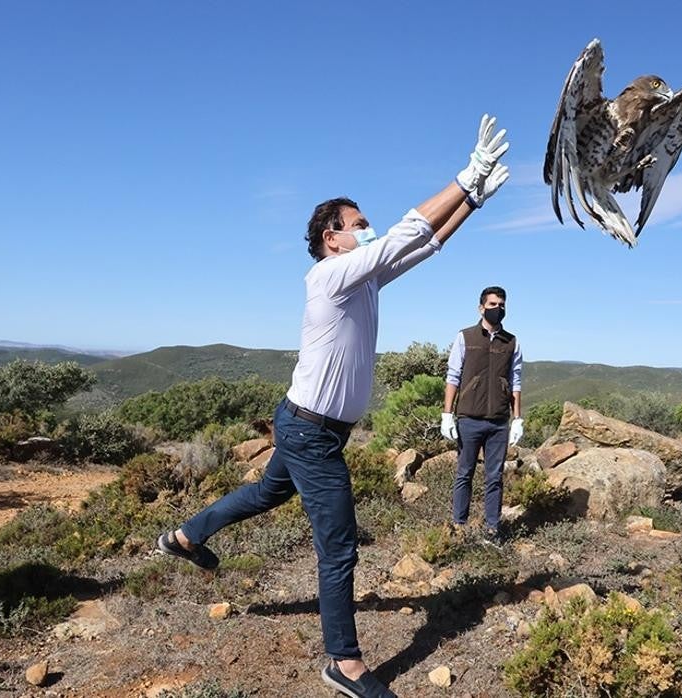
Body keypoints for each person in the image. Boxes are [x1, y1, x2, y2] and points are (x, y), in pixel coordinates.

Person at [155, 115, 510, 698]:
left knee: (264, 494)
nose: (367, 231)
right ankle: (342, 663)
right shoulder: (327, 277)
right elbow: (404, 232)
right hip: (310, 432)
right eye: (358, 224)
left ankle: (186, 537)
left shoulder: (361, 280)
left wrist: (471, 199)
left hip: (306, 423)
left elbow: (426, 241)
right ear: (332, 238)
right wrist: (464, 174)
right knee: (339, 543)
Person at [440, 285, 524, 545]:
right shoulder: (465, 337)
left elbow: (516, 381)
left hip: (498, 422)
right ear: (481, 308)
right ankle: (459, 527)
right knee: (464, 473)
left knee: (494, 477)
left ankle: (492, 530)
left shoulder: (512, 342)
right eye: (492, 305)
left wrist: (517, 418)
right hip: (469, 418)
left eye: (501, 305)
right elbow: (453, 376)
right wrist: (447, 414)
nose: (497, 309)